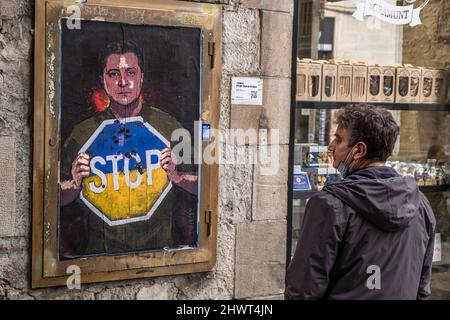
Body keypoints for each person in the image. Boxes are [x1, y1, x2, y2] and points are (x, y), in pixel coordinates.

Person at [59, 40, 198, 258]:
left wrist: (178, 176)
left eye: (130, 72)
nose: (123, 82)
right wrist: (75, 183)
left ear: (141, 77)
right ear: (103, 80)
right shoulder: (82, 133)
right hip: (100, 255)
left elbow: (203, 187)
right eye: (113, 74)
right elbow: (54, 199)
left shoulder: (170, 127)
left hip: (158, 252)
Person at [285, 104, 436, 300]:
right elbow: (422, 288)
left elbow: (303, 289)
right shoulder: (420, 203)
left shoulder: (329, 205)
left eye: (338, 139)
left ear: (358, 151)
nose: (330, 146)